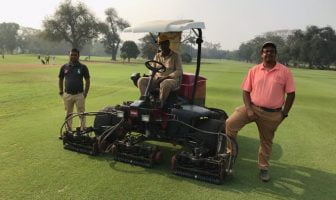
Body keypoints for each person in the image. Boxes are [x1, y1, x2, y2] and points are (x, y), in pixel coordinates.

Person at [225, 42, 295, 182]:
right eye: (266, 51)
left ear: (276, 54)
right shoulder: (254, 70)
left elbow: (291, 94)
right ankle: (230, 157)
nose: (269, 53)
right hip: (252, 107)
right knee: (230, 124)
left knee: (266, 142)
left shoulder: (284, 71)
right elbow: (246, 91)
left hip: (272, 113)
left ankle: (263, 168)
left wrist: (283, 114)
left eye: (272, 51)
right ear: (262, 54)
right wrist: (249, 109)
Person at [137, 36, 182, 108]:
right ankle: (146, 99)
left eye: (162, 44)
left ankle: (160, 103)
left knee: (165, 83)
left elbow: (179, 71)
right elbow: (152, 68)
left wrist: (165, 77)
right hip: (157, 79)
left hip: (171, 80)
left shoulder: (175, 56)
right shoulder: (157, 55)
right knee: (141, 80)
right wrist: (150, 75)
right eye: (160, 44)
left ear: (167, 44)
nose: (160, 46)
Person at [58, 48, 90, 131]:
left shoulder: (83, 67)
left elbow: (87, 80)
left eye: (75, 55)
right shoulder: (64, 67)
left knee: (81, 113)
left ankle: (83, 130)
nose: (73, 56)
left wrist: (85, 93)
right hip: (67, 94)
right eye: (71, 55)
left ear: (78, 56)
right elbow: (61, 79)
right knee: (68, 114)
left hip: (79, 94)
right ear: (69, 55)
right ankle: (69, 131)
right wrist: (61, 92)